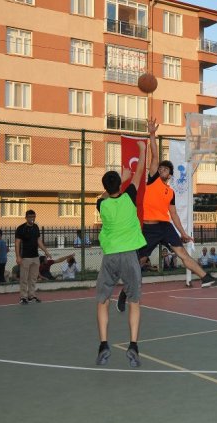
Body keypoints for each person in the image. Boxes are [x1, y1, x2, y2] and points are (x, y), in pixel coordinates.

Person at [128, 117, 217, 311]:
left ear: (169, 174)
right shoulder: (152, 180)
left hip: (166, 226)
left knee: (182, 253)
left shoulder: (170, 192)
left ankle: (205, 278)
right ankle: (128, 286)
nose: (161, 169)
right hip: (150, 228)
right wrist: (152, 134)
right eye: (160, 167)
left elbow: (174, 215)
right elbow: (154, 156)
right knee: (142, 260)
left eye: (165, 169)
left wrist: (183, 233)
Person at [95, 134, 146, 368]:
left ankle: (103, 344)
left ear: (105, 187)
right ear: (121, 184)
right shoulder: (130, 198)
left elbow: (105, 195)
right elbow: (139, 172)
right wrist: (141, 148)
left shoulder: (102, 204)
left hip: (110, 257)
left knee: (103, 301)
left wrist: (116, 183)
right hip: (129, 255)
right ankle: (133, 345)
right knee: (134, 302)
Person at [15, 210, 51, 304]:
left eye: (33, 216)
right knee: (24, 278)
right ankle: (23, 297)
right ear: (26, 217)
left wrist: (46, 251)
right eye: (30, 217)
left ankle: (32, 296)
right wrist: (18, 256)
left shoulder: (36, 227)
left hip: (35, 257)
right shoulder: (21, 228)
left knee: (33, 278)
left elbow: (38, 240)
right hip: (25, 257)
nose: (32, 218)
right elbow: (17, 243)